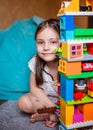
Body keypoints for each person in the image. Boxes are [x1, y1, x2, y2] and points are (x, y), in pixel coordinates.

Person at [18, 18, 60, 127]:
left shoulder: (69, 62)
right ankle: (51, 114)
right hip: (45, 101)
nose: (46, 47)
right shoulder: (35, 61)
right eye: (41, 42)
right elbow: (34, 88)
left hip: (66, 102)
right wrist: (52, 109)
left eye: (53, 42)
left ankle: (56, 115)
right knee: (23, 102)